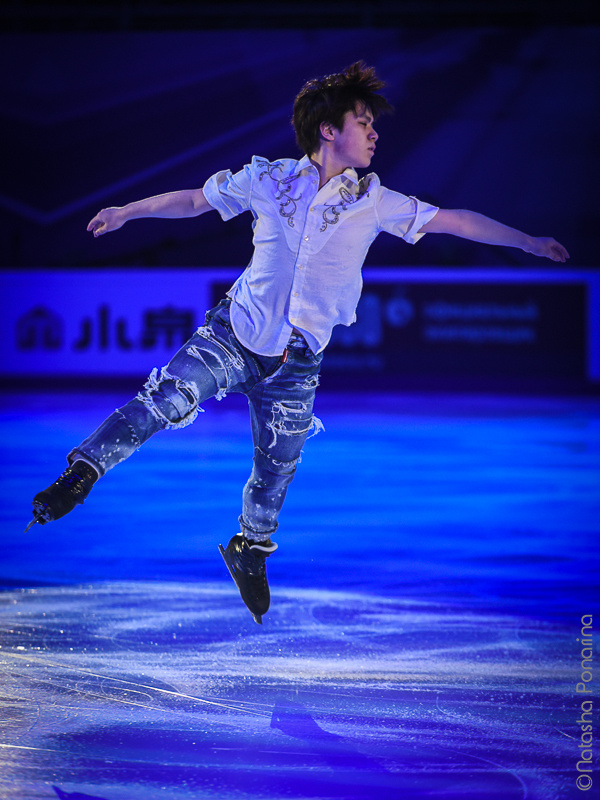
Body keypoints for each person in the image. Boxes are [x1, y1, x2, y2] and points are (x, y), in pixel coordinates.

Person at [26, 62, 569, 623]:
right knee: (167, 399)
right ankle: (81, 473)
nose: (375, 133)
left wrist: (527, 241)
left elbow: (453, 220)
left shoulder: (374, 201)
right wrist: (125, 212)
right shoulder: (269, 179)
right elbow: (195, 201)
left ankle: (250, 548)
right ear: (328, 130)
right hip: (233, 336)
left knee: (276, 473)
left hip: (296, 364)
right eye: (364, 122)